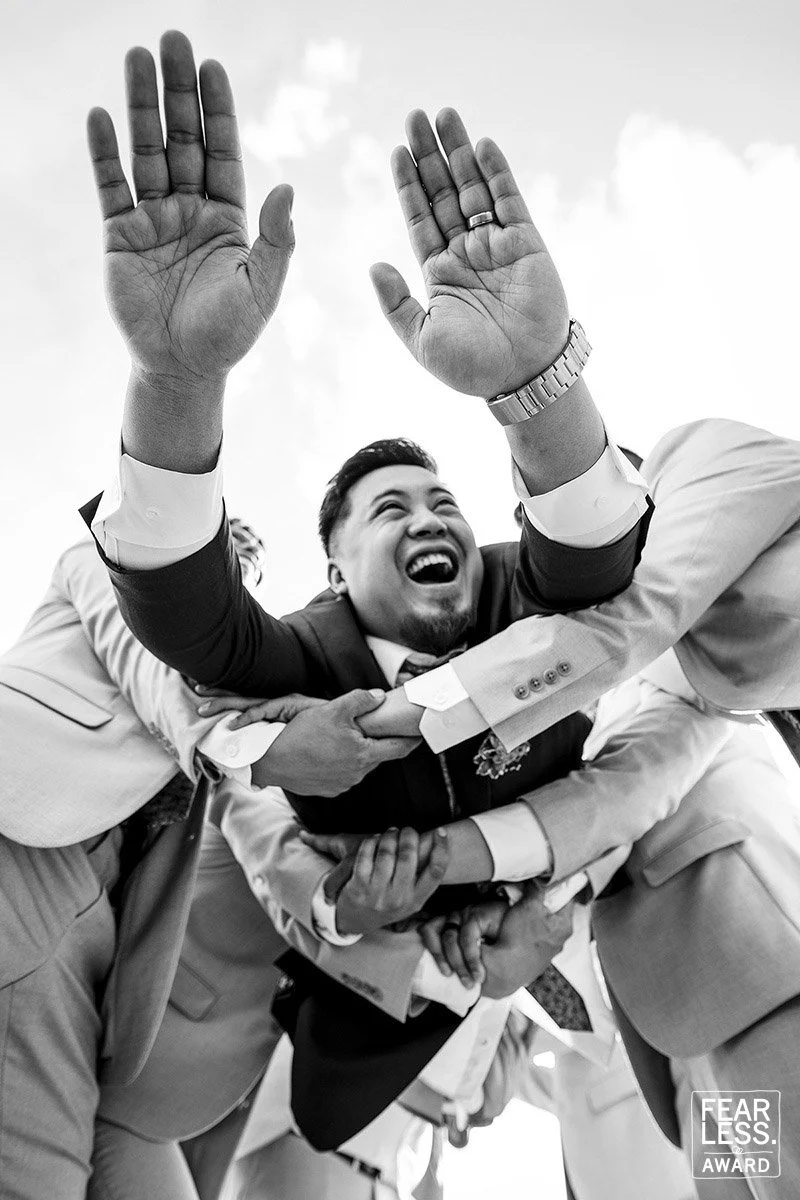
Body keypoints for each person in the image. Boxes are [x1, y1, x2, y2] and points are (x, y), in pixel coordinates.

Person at [82, 31, 651, 1149]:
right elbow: (191, 623)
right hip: (307, 1064)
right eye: (387, 510)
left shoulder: (515, 600)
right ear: (336, 572)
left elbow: (591, 562)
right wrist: (175, 382)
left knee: (728, 1137)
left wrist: (536, 390)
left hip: (561, 1034)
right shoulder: (314, 662)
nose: (430, 517)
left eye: (440, 501)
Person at [0, 524, 421, 1200]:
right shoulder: (108, 565)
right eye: (226, 549)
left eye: (249, 562)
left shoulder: (237, 689)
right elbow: (142, 652)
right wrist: (249, 745)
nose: (241, 566)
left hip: (99, 970)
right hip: (28, 849)